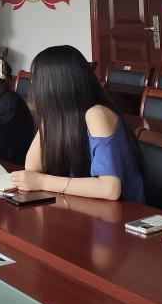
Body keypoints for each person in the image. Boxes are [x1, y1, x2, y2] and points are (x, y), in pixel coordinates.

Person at [9, 45, 144, 202]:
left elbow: (110, 189)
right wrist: (49, 117)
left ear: (54, 86)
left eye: (37, 80)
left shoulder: (97, 114)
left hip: (124, 212)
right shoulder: (64, 117)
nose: (34, 87)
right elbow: (32, 168)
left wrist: (43, 182)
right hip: (87, 206)